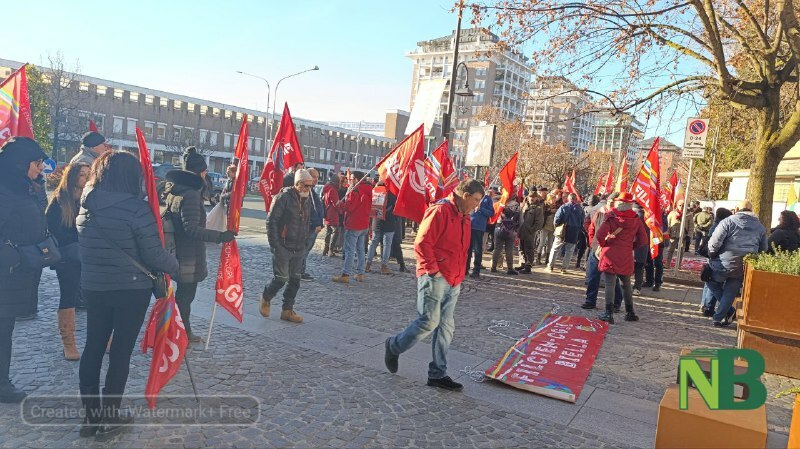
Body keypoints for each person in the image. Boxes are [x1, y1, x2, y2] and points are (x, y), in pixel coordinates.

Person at [77, 151, 179, 438]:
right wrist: (175, 265)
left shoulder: (86, 205)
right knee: (120, 351)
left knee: (93, 347)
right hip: (130, 289)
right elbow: (153, 254)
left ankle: (91, 417)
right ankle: (110, 417)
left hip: (94, 286)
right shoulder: (136, 209)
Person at [384, 179, 484, 392]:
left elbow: (461, 249)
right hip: (435, 276)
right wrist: (433, 270)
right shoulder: (440, 210)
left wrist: (459, 274)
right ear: (465, 196)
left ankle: (438, 373)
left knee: (446, 326)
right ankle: (394, 346)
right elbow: (422, 243)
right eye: (476, 200)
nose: (477, 205)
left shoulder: (464, 216)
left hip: (453, 277)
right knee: (429, 321)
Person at [163, 147, 236, 342]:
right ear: (200, 173)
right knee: (185, 297)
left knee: (183, 296)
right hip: (188, 255)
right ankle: (181, 333)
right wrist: (220, 236)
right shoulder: (191, 195)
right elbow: (192, 229)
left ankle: (179, 331)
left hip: (178, 251)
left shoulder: (176, 191)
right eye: (204, 172)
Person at [0, 137, 49, 403]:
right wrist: (11, 254)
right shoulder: (5, 190)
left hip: (14, 272)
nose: (40, 168)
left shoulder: (21, 187)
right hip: (5, 272)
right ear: (20, 163)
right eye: (36, 163)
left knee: (5, 329)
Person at [45, 162, 90, 361]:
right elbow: (53, 231)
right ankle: (68, 342)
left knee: (95, 296)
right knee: (69, 295)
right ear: (72, 177)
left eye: (88, 174)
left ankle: (103, 338)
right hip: (67, 258)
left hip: (88, 256)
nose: (86, 178)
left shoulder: (90, 199)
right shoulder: (60, 201)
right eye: (82, 175)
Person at [261, 170, 313, 323]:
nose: (308, 189)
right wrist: (276, 245)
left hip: (299, 246)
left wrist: (305, 242)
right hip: (283, 246)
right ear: (297, 183)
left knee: (295, 280)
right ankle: (266, 296)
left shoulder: (307, 199)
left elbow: (307, 221)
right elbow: (271, 222)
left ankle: (287, 310)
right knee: (281, 278)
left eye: (310, 186)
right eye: (306, 185)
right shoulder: (283, 197)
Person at [705, 199, 767, 327]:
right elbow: (763, 248)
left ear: (737, 209)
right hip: (743, 265)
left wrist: (712, 254)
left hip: (723, 263)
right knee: (730, 292)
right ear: (751, 210)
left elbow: (715, 242)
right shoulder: (760, 227)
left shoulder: (727, 221)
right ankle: (717, 318)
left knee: (711, 281)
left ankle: (728, 311)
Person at [596, 193, 648, 324]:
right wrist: (631, 246)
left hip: (611, 252)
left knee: (610, 283)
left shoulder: (611, 216)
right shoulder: (636, 218)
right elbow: (643, 239)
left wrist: (604, 244)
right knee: (626, 284)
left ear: (619, 203)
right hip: (626, 254)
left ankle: (608, 313)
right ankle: (630, 312)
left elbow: (600, 234)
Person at [581, 193, 623, 310]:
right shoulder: (599, 212)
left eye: (614, 203)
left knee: (612, 279)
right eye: (610, 202)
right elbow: (592, 228)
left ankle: (616, 303)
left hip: (611, 250)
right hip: (596, 249)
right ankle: (590, 301)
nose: (612, 205)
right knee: (593, 276)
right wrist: (592, 244)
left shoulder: (620, 216)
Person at [332, 171, 372, 284]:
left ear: (357, 179)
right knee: (360, 250)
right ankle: (360, 273)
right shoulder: (369, 189)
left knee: (350, 250)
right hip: (364, 224)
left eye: (352, 178)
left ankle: (345, 274)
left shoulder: (355, 190)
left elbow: (350, 207)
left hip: (354, 223)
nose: (350, 180)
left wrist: (340, 204)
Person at [699, 207, 732, 316]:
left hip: (712, 256)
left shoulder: (716, 225)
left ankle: (705, 305)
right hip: (715, 257)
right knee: (712, 282)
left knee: (709, 280)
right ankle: (708, 307)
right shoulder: (720, 227)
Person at [548, 193, 585, 273]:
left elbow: (557, 219)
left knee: (555, 248)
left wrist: (556, 226)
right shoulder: (580, 209)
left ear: (568, 199)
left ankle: (550, 266)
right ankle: (564, 268)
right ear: (576, 199)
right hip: (574, 232)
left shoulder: (563, 207)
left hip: (562, 231)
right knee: (569, 251)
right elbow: (582, 221)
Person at [366, 184, 397, 275]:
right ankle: (384, 266)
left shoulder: (374, 193)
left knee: (373, 243)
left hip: (377, 222)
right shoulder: (392, 195)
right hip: (389, 222)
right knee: (387, 245)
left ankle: (367, 265)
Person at [300, 168, 324, 281]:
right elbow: (310, 209)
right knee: (303, 250)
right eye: (314, 177)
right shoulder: (306, 191)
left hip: (314, 226)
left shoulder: (312, 191)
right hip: (310, 226)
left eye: (317, 177)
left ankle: (301, 270)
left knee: (306, 250)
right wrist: (316, 223)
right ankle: (299, 272)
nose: (316, 179)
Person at [467, 191, 495, 278]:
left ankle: (476, 271)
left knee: (477, 250)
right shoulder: (472, 196)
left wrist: (481, 209)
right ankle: (465, 269)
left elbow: (491, 213)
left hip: (479, 227)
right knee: (467, 249)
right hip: (469, 225)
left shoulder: (487, 199)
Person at [491, 197, 521, 275]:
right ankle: (510, 268)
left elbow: (494, 213)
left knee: (497, 249)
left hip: (499, 227)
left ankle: (493, 267)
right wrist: (517, 230)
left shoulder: (501, 202)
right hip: (511, 230)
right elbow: (520, 219)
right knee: (509, 250)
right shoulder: (516, 205)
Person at [516, 192, 544, 274]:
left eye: (534, 197)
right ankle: (523, 263)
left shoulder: (538, 208)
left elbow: (539, 223)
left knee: (529, 249)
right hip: (521, 230)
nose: (532, 198)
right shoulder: (524, 205)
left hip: (530, 233)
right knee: (521, 248)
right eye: (530, 196)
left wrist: (531, 230)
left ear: (536, 198)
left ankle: (528, 266)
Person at [322, 173, 341, 257]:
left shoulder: (327, 188)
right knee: (335, 231)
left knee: (328, 231)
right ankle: (330, 250)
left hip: (327, 211)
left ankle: (325, 249)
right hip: (332, 212)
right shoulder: (332, 189)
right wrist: (341, 210)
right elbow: (335, 204)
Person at [536, 193, 558, 265]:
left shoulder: (557, 206)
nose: (554, 200)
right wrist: (550, 211)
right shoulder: (544, 205)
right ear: (549, 199)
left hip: (552, 227)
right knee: (542, 243)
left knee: (550, 244)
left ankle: (547, 259)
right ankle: (538, 258)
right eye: (552, 199)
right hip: (545, 226)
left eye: (554, 199)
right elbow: (542, 213)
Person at [666, 201, 685, 268]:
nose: (681, 207)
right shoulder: (672, 213)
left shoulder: (688, 214)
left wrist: (689, 235)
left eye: (683, 205)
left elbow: (691, 225)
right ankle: (667, 264)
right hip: (673, 234)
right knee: (671, 250)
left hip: (683, 235)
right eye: (680, 205)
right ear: (677, 205)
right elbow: (668, 223)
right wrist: (668, 232)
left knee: (681, 251)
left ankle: (678, 265)